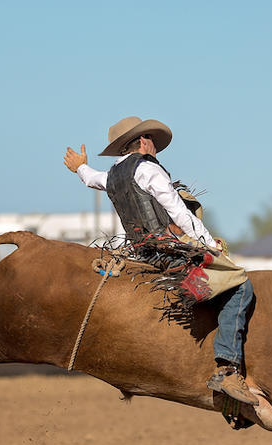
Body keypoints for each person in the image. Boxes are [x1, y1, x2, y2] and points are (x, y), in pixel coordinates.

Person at [63, 116, 257, 406]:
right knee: (239, 287)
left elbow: (92, 179)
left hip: (140, 254)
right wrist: (210, 246)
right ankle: (227, 369)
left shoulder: (114, 175)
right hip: (168, 253)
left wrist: (80, 166)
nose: (155, 145)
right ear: (143, 141)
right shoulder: (148, 169)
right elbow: (178, 212)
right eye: (152, 139)